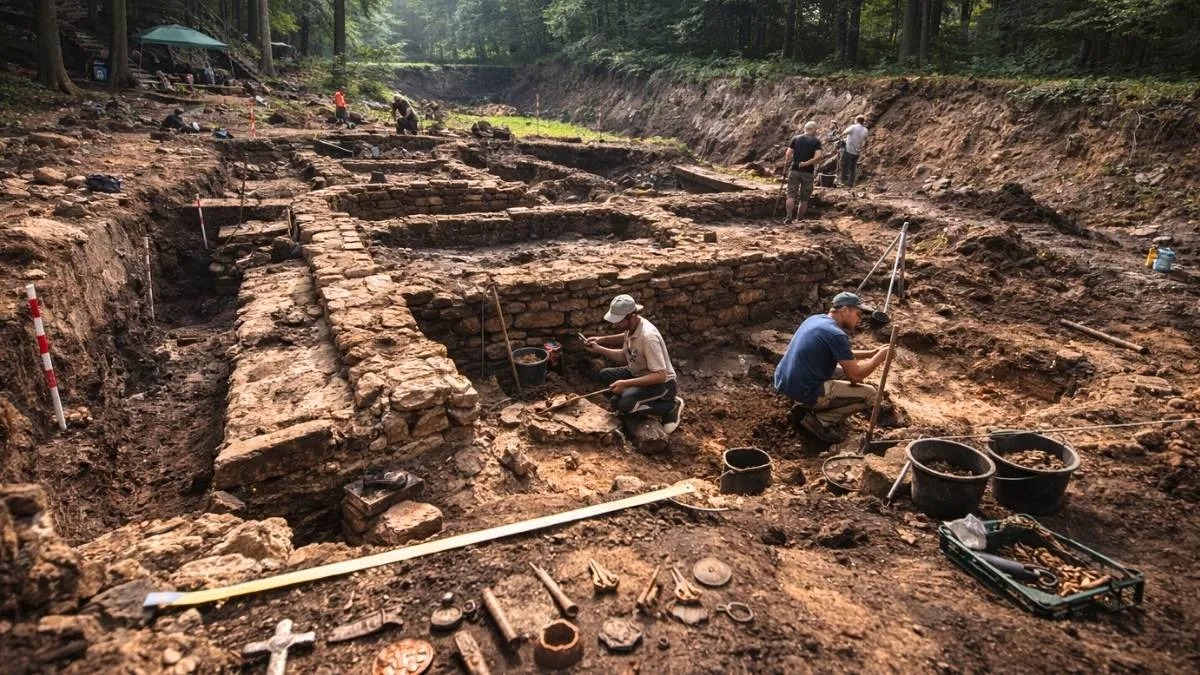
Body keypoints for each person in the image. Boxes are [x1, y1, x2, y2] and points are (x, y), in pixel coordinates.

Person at [773, 292, 891, 443]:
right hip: (804, 389)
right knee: (871, 394)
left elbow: (843, 354)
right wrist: (880, 357)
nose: (859, 319)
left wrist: (871, 353)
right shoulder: (836, 334)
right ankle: (820, 420)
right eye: (858, 314)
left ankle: (803, 409)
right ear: (845, 311)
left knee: (842, 374)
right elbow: (856, 376)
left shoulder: (816, 320)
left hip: (787, 381)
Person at [584, 294, 684, 433]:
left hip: (661, 384)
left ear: (632, 316)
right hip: (637, 372)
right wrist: (602, 342)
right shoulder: (632, 327)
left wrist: (626, 384)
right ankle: (631, 396)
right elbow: (625, 356)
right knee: (604, 375)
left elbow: (660, 375)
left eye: (618, 321)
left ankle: (670, 406)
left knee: (623, 406)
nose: (615, 324)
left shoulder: (649, 338)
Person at [783, 120, 823, 223]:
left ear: (805, 129)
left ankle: (788, 216)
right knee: (804, 199)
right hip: (808, 172)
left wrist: (785, 167)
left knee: (791, 195)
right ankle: (799, 219)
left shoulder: (795, 138)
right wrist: (807, 163)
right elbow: (818, 157)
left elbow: (788, 154)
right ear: (814, 130)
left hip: (795, 170)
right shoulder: (816, 141)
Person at [840, 115, 869, 188]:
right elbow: (866, 140)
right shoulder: (865, 130)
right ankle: (851, 184)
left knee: (845, 166)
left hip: (849, 150)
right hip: (857, 151)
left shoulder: (853, 127)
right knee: (853, 168)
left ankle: (843, 182)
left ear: (856, 120)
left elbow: (843, 133)